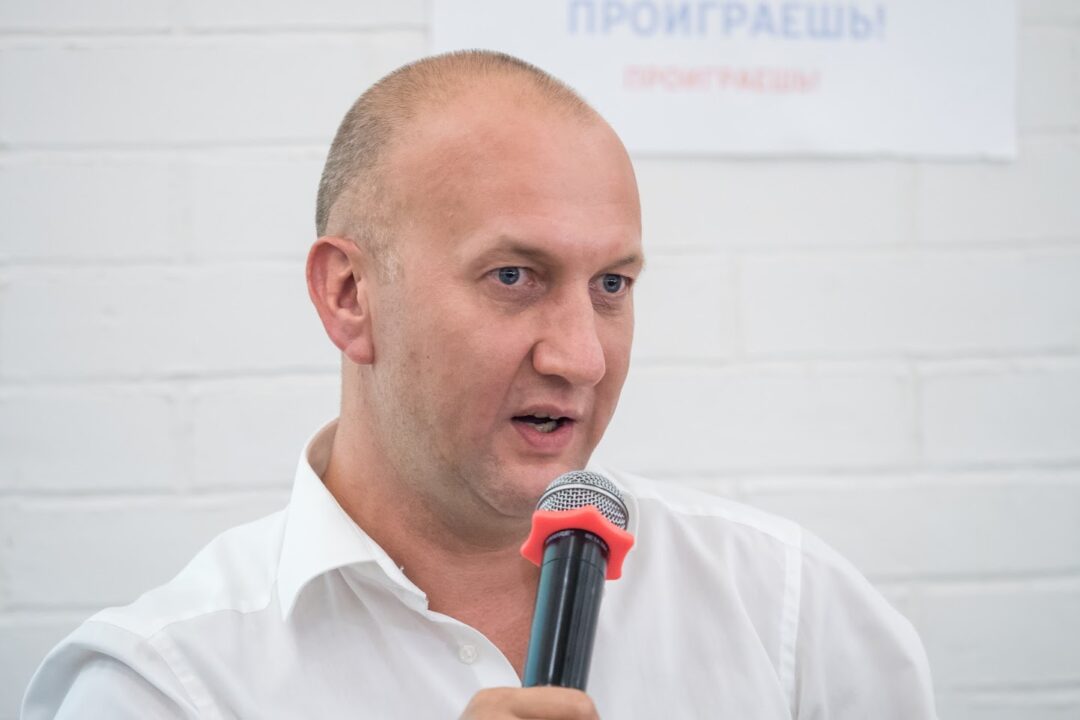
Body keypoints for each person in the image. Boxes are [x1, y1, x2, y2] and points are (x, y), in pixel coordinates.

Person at [22, 50, 937, 719]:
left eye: (611, 285)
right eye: (513, 277)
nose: (582, 358)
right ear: (349, 295)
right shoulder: (165, 687)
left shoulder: (788, 609)